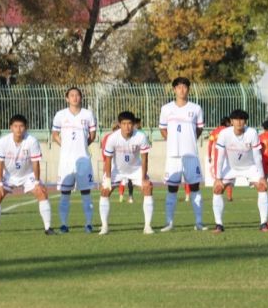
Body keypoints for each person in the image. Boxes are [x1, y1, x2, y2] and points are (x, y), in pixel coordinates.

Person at [0, 115, 54, 236]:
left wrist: (37, 183)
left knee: (42, 193)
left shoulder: (32, 141)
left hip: (28, 174)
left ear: (26, 128)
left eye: (21, 126)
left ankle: (48, 228)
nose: (18, 129)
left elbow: (35, 163)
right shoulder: (3, 141)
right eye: (15, 126)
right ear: (11, 127)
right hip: (9, 175)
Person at [159, 77, 206, 231]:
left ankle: (199, 222)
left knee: (194, 187)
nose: (181, 90)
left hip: (190, 154)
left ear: (188, 89)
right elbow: (163, 129)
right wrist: (172, 141)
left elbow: (198, 129)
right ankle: (169, 223)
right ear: (174, 90)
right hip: (173, 155)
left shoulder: (196, 108)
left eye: (184, 87)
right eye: (178, 87)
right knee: (172, 189)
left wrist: (190, 140)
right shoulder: (166, 109)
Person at [212, 109, 268, 232]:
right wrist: (218, 178)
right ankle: (219, 225)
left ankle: (263, 223)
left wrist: (262, 176)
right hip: (231, 167)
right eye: (236, 119)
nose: (239, 122)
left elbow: (257, 156)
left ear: (245, 121)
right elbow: (220, 156)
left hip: (250, 167)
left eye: (242, 119)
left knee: (262, 187)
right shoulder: (224, 134)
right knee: (217, 189)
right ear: (231, 121)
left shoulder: (252, 133)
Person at [100, 111, 154, 235]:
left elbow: (145, 158)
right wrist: (108, 178)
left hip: (135, 169)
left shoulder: (140, 136)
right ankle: (104, 227)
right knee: (104, 190)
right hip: (117, 170)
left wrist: (144, 177)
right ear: (119, 124)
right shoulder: (112, 138)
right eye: (124, 123)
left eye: (129, 123)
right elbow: (108, 159)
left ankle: (147, 226)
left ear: (134, 124)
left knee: (148, 188)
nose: (127, 126)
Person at [52, 87, 97, 233]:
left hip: (83, 159)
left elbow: (92, 135)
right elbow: (55, 134)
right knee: (65, 193)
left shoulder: (88, 114)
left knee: (86, 193)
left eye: (77, 95)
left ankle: (89, 224)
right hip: (66, 161)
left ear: (81, 98)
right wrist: (65, 145)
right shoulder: (60, 115)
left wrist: (82, 146)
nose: (75, 98)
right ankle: (64, 225)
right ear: (67, 98)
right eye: (72, 95)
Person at [208, 117, 233, 201]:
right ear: (227, 123)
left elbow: (210, 144)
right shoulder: (228, 131)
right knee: (229, 177)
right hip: (228, 155)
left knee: (217, 178)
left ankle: (216, 194)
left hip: (217, 157)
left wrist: (209, 156)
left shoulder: (214, 131)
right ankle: (229, 196)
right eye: (229, 122)